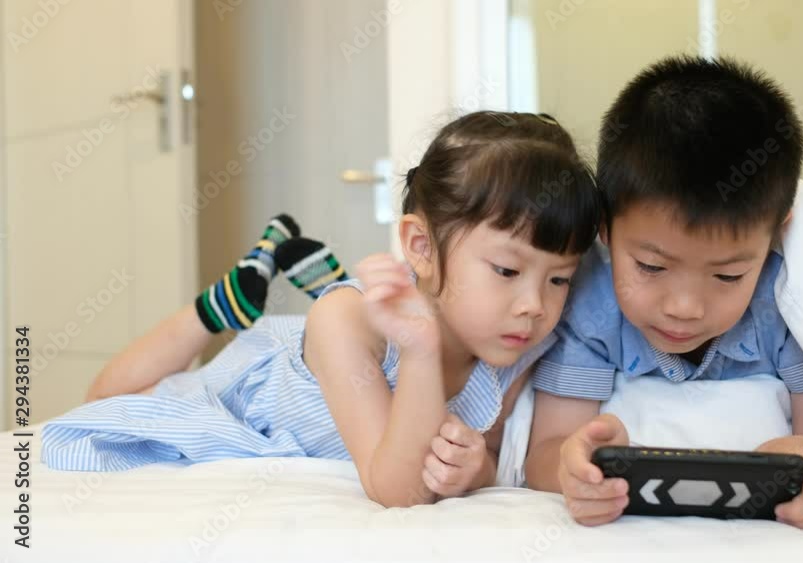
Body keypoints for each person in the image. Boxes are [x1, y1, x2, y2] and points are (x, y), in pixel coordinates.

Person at [42, 111, 604, 508]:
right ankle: (219, 307)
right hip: (255, 399)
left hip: (354, 361)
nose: (534, 306)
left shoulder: (517, 343)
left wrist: (476, 471)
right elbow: (398, 488)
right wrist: (418, 350)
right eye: (506, 271)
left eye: (559, 278)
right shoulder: (349, 323)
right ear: (420, 246)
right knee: (107, 400)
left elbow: (480, 450)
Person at [522, 56, 803, 528]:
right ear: (604, 229)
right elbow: (547, 450)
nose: (684, 308)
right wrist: (575, 471)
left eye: (728, 276)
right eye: (651, 267)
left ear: (777, 234)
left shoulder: (790, 303)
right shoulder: (590, 304)